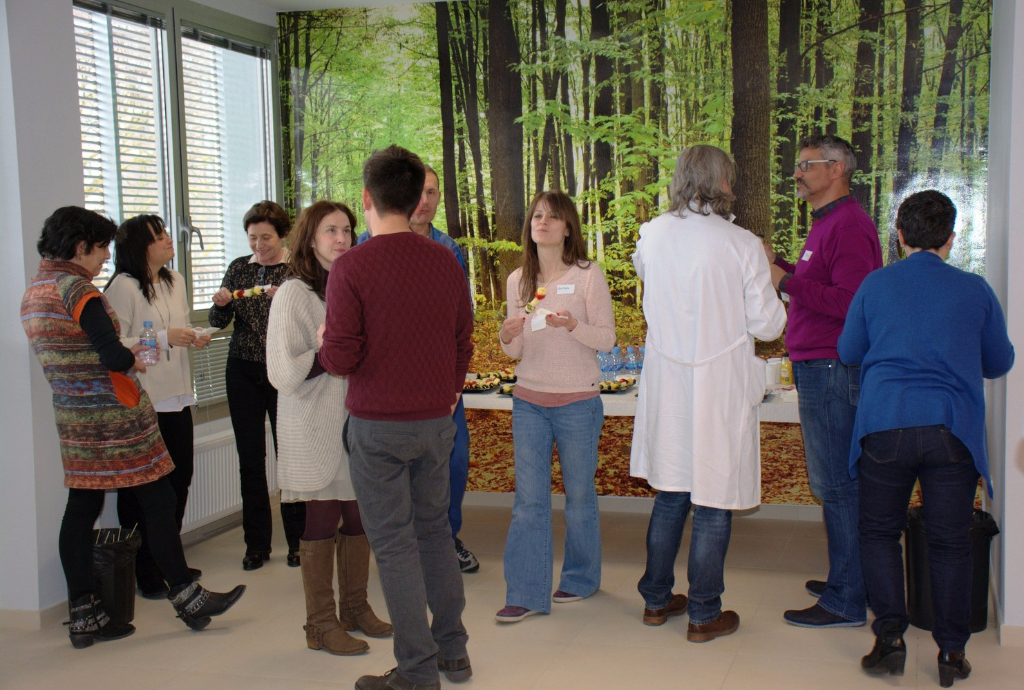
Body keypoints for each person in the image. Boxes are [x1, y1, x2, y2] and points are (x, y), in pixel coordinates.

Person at [20, 207, 245, 648]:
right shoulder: (78, 290)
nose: (106, 257)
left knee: (81, 509)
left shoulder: (35, 292)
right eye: (100, 248)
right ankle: (188, 597)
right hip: (117, 415)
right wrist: (133, 358)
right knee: (159, 499)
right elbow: (111, 353)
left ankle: (84, 615)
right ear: (80, 247)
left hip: (75, 420)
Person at [838, 191, 1014, 685]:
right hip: (951, 430)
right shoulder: (975, 289)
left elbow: (849, 350)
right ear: (951, 239)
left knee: (878, 533)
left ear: (899, 236)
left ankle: (890, 640)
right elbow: (1000, 361)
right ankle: (951, 653)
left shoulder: (876, 284)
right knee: (950, 542)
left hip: (886, 424)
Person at [319, 145, 474, 690]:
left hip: (378, 427)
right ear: (413, 201)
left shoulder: (351, 267)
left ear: (367, 198)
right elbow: (463, 341)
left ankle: (416, 671)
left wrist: (327, 342)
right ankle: (453, 651)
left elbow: (340, 358)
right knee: (434, 534)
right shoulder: (444, 261)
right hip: (434, 423)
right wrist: (449, 393)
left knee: (394, 546)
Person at [630, 145, 788, 642]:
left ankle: (656, 601)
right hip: (719, 387)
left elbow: (653, 282)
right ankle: (703, 612)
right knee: (714, 499)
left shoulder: (652, 235)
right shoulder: (741, 243)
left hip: (668, 385)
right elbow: (768, 325)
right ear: (723, 183)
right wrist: (769, 270)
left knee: (672, 493)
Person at [765, 134, 882, 627]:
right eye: (798, 165)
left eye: (807, 164)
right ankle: (850, 578)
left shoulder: (848, 225)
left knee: (836, 485)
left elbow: (853, 302)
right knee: (837, 483)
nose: (797, 173)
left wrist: (786, 282)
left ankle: (846, 599)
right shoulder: (827, 223)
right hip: (822, 366)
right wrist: (780, 266)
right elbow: (821, 284)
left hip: (833, 367)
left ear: (837, 169)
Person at [267, 200, 391, 656]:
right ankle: (319, 624)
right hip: (312, 423)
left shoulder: (352, 284)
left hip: (355, 420)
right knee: (323, 516)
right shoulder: (293, 293)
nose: (341, 239)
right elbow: (283, 373)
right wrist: (329, 350)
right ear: (310, 238)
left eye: (346, 230)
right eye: (330, 231)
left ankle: (354, 608)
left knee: (358, 514)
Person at [494, 190, 616, 624]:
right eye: (536, 216)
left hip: (578, 402)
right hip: (529, 401)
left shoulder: (587, 275)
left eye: (552, 217)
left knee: (579, 497)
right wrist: (507, 335)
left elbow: (607, 339)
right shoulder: (518, 281)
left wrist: (573, 325)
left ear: (567, 228)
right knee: (529, 501)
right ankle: (525, 593)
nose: (542, 223)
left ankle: (581, 578)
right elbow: (515, 352)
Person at [356, 165, 478, 573]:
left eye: (432, 192)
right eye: (419, 192)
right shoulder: (364, 245)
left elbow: (461, 322)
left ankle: (446, 538)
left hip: (440, 383)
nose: (424, 201)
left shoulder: (448, 249)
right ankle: (401, 548)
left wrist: (454, 386)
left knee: (453, 462)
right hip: (385, 387)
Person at [105, 215, 208, 599]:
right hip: (144, 400)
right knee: (143, 491)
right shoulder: (123, 286)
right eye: (159, 236)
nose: (168, 239)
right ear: (139, 246)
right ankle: (144, 569)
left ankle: (168, 560)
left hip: (178, 394)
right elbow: (116, 344)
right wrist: (165, 338)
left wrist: (193, 336)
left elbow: (178, 329)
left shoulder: (174, 280)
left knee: (179, 480)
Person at [209, 200, 306, 570]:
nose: (259, 245)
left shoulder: (297, 269)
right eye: (252, 238)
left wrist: (286, 301)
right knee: (250, 459)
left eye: (266, 237)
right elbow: (218, 320)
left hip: (284, 372)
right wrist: (220, 304)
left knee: (290, 457)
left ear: (282, 235)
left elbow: (312, 318)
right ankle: (256, 545)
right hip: (243, 370)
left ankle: (298, 542)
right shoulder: (238, 269)